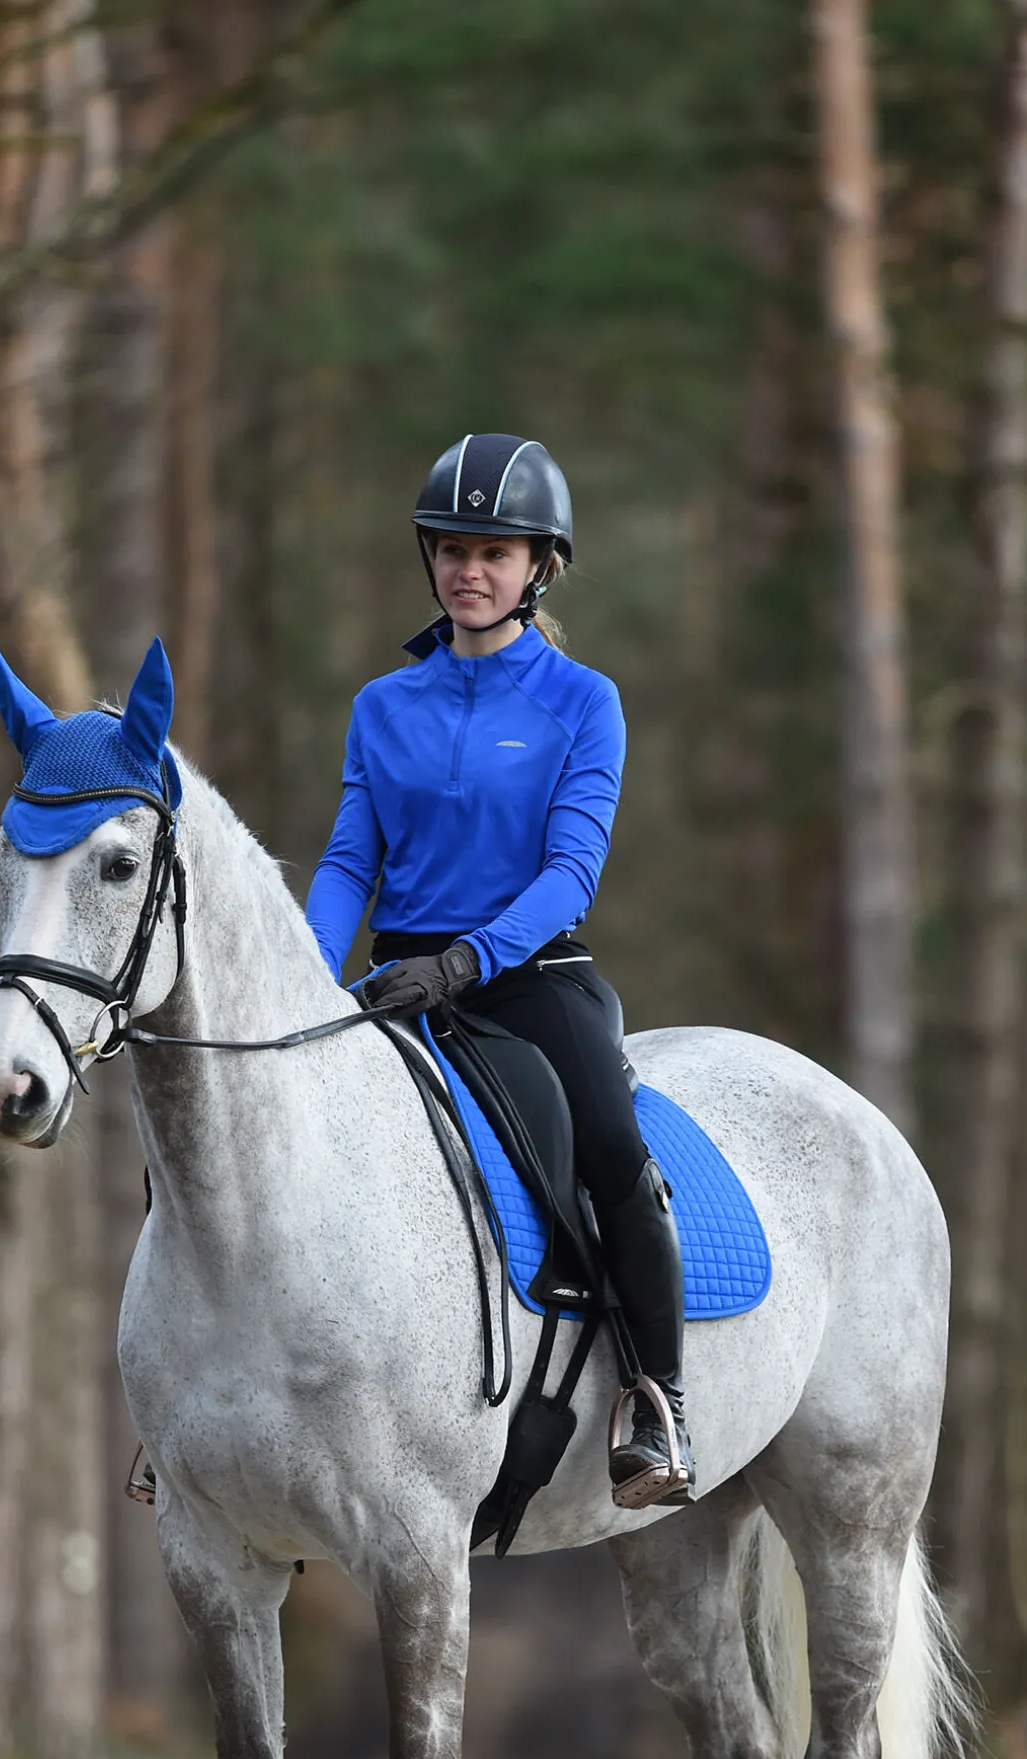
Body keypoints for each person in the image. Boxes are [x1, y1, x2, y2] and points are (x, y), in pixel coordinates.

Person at [305, 432, 693, 1509]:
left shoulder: (583, 702)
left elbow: (570, 872)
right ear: (428, 558)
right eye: (452, 550)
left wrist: (466, 960)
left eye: (496, 551)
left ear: (539, 567)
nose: (469, 570)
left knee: (612, 1149)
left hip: (531, 977)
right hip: (392, 983)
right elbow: (349, 862)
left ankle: (655, 1400)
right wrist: (306, 973)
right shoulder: (384, 706)